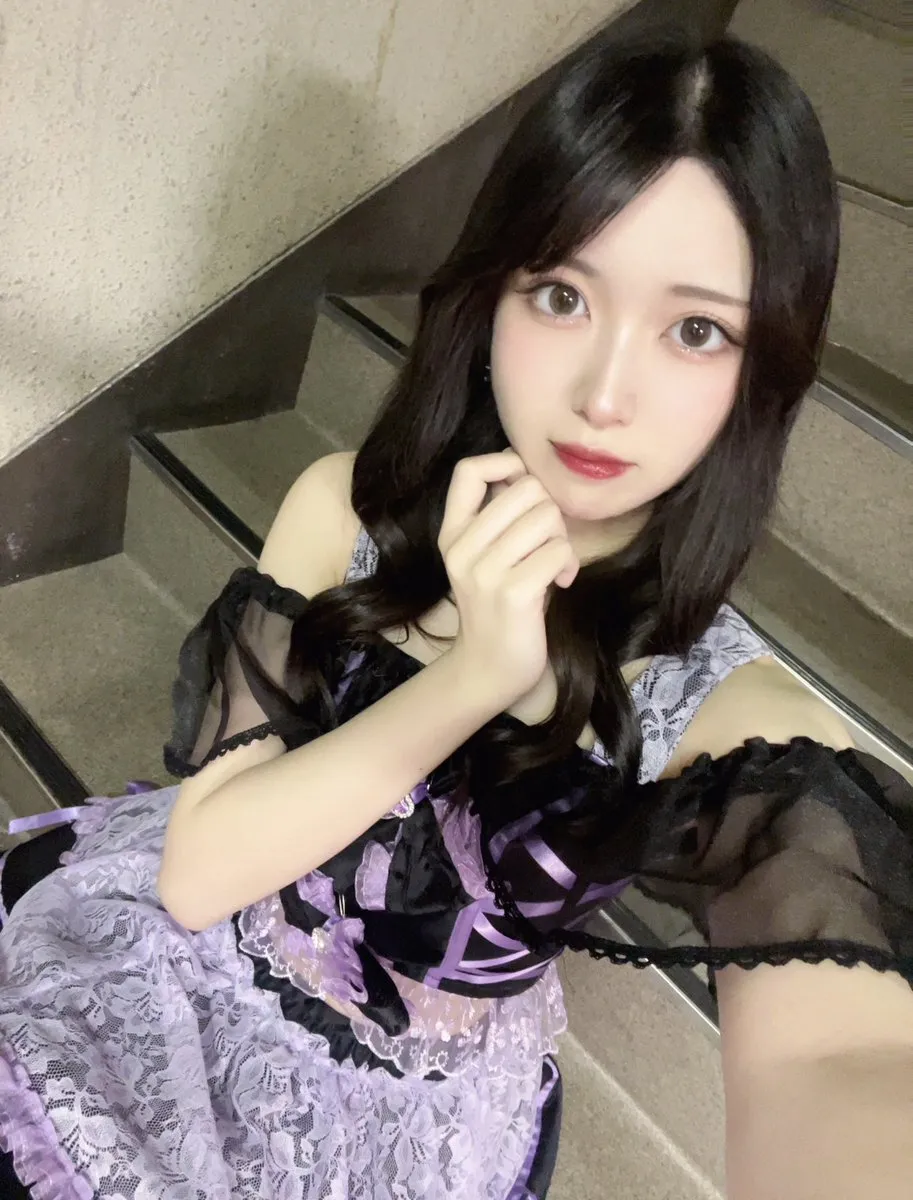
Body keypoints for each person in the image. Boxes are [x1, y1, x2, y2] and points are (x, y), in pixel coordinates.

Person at [1, 33, 911, 1200]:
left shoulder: (728, 708)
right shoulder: (343, 509)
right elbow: (199, 875)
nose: (604, 394)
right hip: (189, 977)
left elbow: (836, 1060)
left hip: (404, 1126)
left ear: (759, 367)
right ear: (491, 299)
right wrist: (471, 675)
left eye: (695, 330)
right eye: (562, 296)